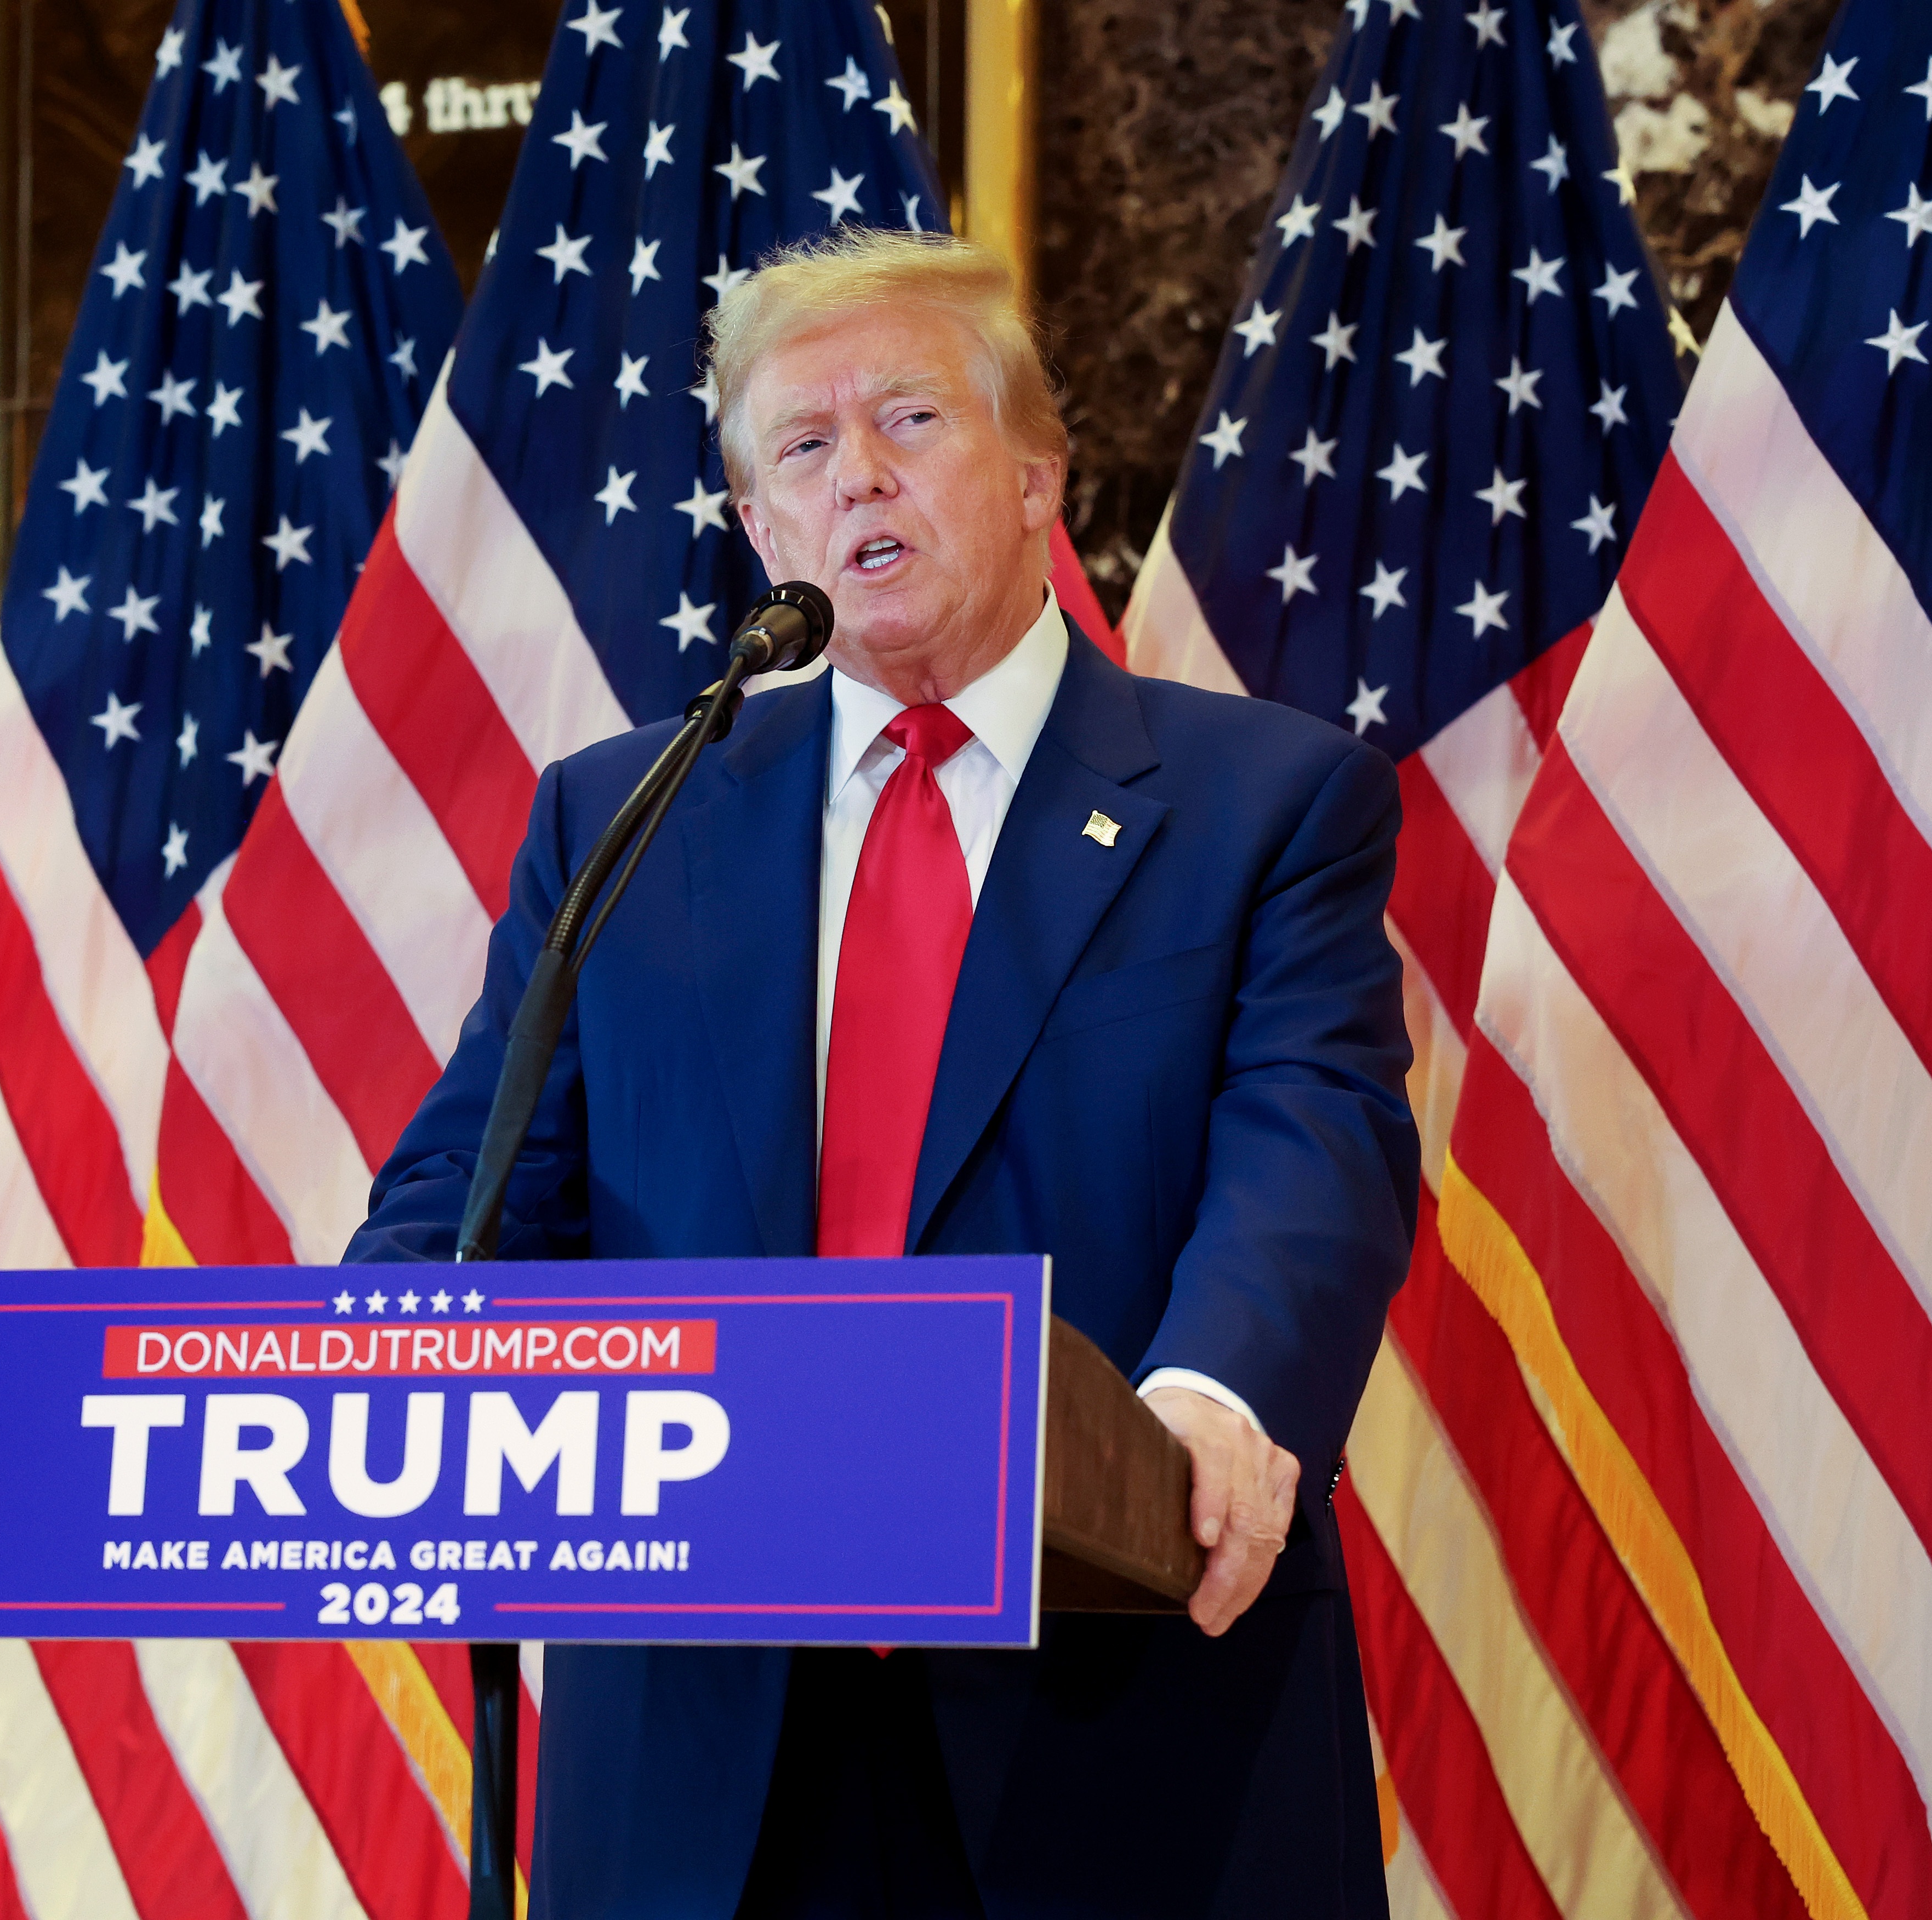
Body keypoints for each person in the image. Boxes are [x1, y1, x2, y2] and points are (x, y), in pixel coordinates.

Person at [349, 230, 1418, 1919]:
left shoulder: (1265, 806)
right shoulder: (626, 817)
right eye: (803, 447)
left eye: (911, 419)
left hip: (1107, 1690)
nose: (859, 475)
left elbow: (1318, 1142)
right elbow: (476, 1180)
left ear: (1034, 478)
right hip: (708, 1728)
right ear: (766, 533)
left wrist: (1211, 1403)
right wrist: (369, 1366)